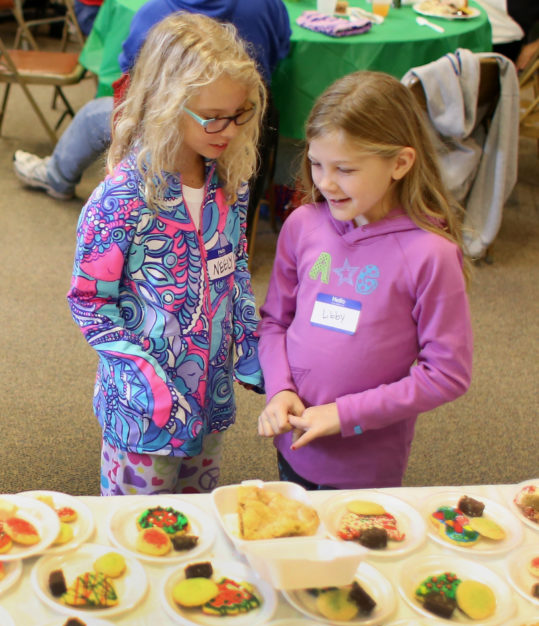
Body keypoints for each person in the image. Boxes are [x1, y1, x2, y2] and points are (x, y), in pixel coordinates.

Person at [67, 12, 265, 495]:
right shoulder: (122, 199)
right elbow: (89, 302)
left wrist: (249, 341)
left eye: (240, 114)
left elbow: (235, 266)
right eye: (213, 117)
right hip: (143, 412)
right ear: (166, 104)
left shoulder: (230, 182)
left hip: (209, 399)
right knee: (140, 523)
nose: (229, 130)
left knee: (198, 518)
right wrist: (145, 380)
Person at [257, 71, 473, 491]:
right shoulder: (302, 225)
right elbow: (275, 322)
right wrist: (279, 389)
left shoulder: (431, 254)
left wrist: (344, 414)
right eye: (316, 163)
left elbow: (447, 373)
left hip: (366, 463)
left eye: (345, 169)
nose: (325, 182)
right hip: (294, 442)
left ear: (400, 163)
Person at [12, 0, 291, 216]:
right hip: (248, 126)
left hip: (169, 130)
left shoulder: (154, 11)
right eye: (212, 116)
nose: (228, 132)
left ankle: (56, 177)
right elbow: (280, 53)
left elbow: (133, 77)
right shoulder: (269, 5)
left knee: (91, 115)